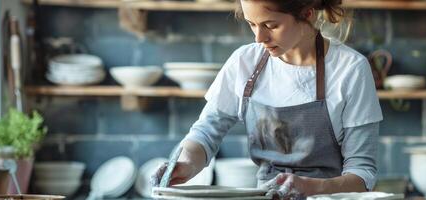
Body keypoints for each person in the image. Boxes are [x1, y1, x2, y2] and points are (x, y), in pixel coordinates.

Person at [152, 0, 382, 199]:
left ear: (307, 14)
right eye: (251, 24)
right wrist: (187, 164)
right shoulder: (244, 62)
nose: (259, 37)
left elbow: (362, 173)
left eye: (270, 25)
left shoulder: (350, 70)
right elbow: (205, 132)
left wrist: (312, 188)